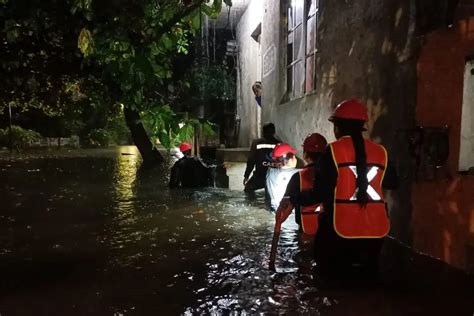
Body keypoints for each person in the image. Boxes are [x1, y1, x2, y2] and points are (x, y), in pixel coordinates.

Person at [286, 99, 398, 274]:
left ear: (337, 127)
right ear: (362, 126)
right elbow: (393, 182)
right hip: (375, 234)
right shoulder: (380, 151)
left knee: (329, 283)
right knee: (366, 283)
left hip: (338, 233)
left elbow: (320, 193)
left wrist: (294, 198)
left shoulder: (332, 151)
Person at [274, 133, 327, 236]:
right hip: (333, 231)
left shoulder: (298, 177)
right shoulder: (335, 174)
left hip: (306, 233)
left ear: (305, 155)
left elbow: (284, 209)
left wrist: (278, 222)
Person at [243, 122, 280, 195]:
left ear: (263, 132)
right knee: (270, 195)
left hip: (259, 176)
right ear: (274, 132)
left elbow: (251, 160)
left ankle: (253, 205)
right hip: (274, 177)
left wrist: (246, 175)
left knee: (248, 190)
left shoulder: (256, 143)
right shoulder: (279, 144)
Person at [266, 143, 299, 212]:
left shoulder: (270, 173)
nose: (296, 158)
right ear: (290, 160)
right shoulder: (298, 174)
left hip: (276, 212)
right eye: (294, 156)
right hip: (292, 216)